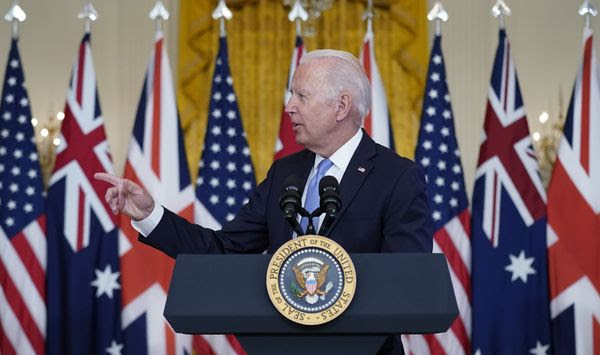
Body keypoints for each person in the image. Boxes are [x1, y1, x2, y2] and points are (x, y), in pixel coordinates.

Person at [96, 49, 433, 354]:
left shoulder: (398, 178)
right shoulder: (284, 174)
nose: (289, 106)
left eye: (302, 95)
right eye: (291, 94)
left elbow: (401, 283)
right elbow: (222, 251)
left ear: (341, 107)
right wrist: (150, 214)